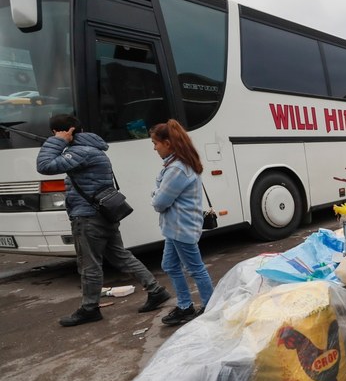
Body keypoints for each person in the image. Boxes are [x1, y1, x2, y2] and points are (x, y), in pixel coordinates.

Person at [36, 115, 171, 327]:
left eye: (55, 133)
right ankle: (156, 290)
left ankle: (89, 308)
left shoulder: (80, 151)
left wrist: (59, 140)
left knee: (89, 264)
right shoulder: (92, 147)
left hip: (88, 216)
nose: (54, 137)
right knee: (120, 256)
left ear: (65, 132)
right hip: (102, 213)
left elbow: (44, 165)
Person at [150, 120, 214, 326]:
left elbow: (160, 202)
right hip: (175, 227)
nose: (154, 148)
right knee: (169, 265)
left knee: (195, 268)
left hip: (181, 227)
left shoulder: (177, 169)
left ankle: (210, 306)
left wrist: (154, 194)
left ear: (167, 143)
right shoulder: (177, 165)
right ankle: (185, 307)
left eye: (156, 143)